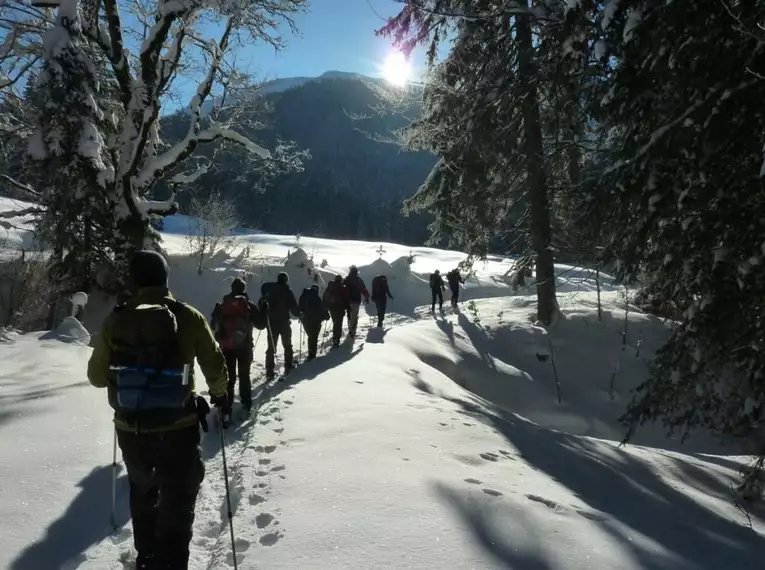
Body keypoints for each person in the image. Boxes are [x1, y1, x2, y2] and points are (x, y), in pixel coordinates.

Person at [87, 250, 228, 570]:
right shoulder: (188, 316)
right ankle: (173, 562)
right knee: (178, 499)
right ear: (166, 278)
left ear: (135, 281)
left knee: (143, 491)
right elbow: (214, 366)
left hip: (131, 428)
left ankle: (146, 556)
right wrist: (219, 394)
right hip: (178, 427)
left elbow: (96, 378)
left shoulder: (117, 319)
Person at [210, 277, 264, 426]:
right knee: (244, 376)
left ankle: (226, 410)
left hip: (227, 347)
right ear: (244, 289)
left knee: (229, 378)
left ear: (231, 288)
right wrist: (263, 310)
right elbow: (261, 325)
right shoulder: (249, 306)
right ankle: (246, 406)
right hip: (245, 347)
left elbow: (213, 325)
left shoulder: (223, 305)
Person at [260, 272, 300, 380]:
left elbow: (263, 302)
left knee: (271, 348)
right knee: (287, 345)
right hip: (284, 322)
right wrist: (299, 313)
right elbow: (293, 307)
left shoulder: (270, 290)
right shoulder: (287, 291)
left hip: (272, 323)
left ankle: (269, 372)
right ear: (286, 280)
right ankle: (288, 365)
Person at [299, 284, 330, 360]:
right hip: (315, 321)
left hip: (305, 321)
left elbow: (300, 308)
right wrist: (326, 316)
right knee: (314, 337)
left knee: (311, 336)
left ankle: (311, 353)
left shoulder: (304, 296)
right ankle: (312, 354)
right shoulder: (317, 299)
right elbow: (322, 310)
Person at [343, 265, 369, 337]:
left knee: (349, 315)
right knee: (354, 316)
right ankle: (352, 331)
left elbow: (342, 290)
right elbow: (363, 289)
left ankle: (350, 328)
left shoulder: (347, 279)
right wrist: (366, 296)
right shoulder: (358, 280)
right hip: (356, 301)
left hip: (347, 301)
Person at [323, 274, 348, 348]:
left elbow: (325, 296)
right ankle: (336, 340)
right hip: (340, 308)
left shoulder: (330, 287)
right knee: (338, 324)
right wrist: (347, 307)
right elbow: (345, 298)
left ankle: (335, 339)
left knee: (335, 323)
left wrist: (327, 306)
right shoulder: (342, 287)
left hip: (332, 308)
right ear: (340, 280)